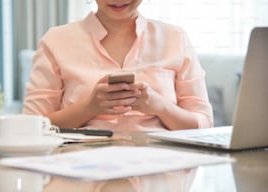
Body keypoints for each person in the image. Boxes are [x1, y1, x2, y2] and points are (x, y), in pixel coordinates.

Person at [23, 0, 213, 132]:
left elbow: (204, 124)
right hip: (82, 166)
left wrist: (160, 107)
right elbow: (31, 125)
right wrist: (89, 108)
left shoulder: (175, 38)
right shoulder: (56, 40)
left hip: (161, 168)